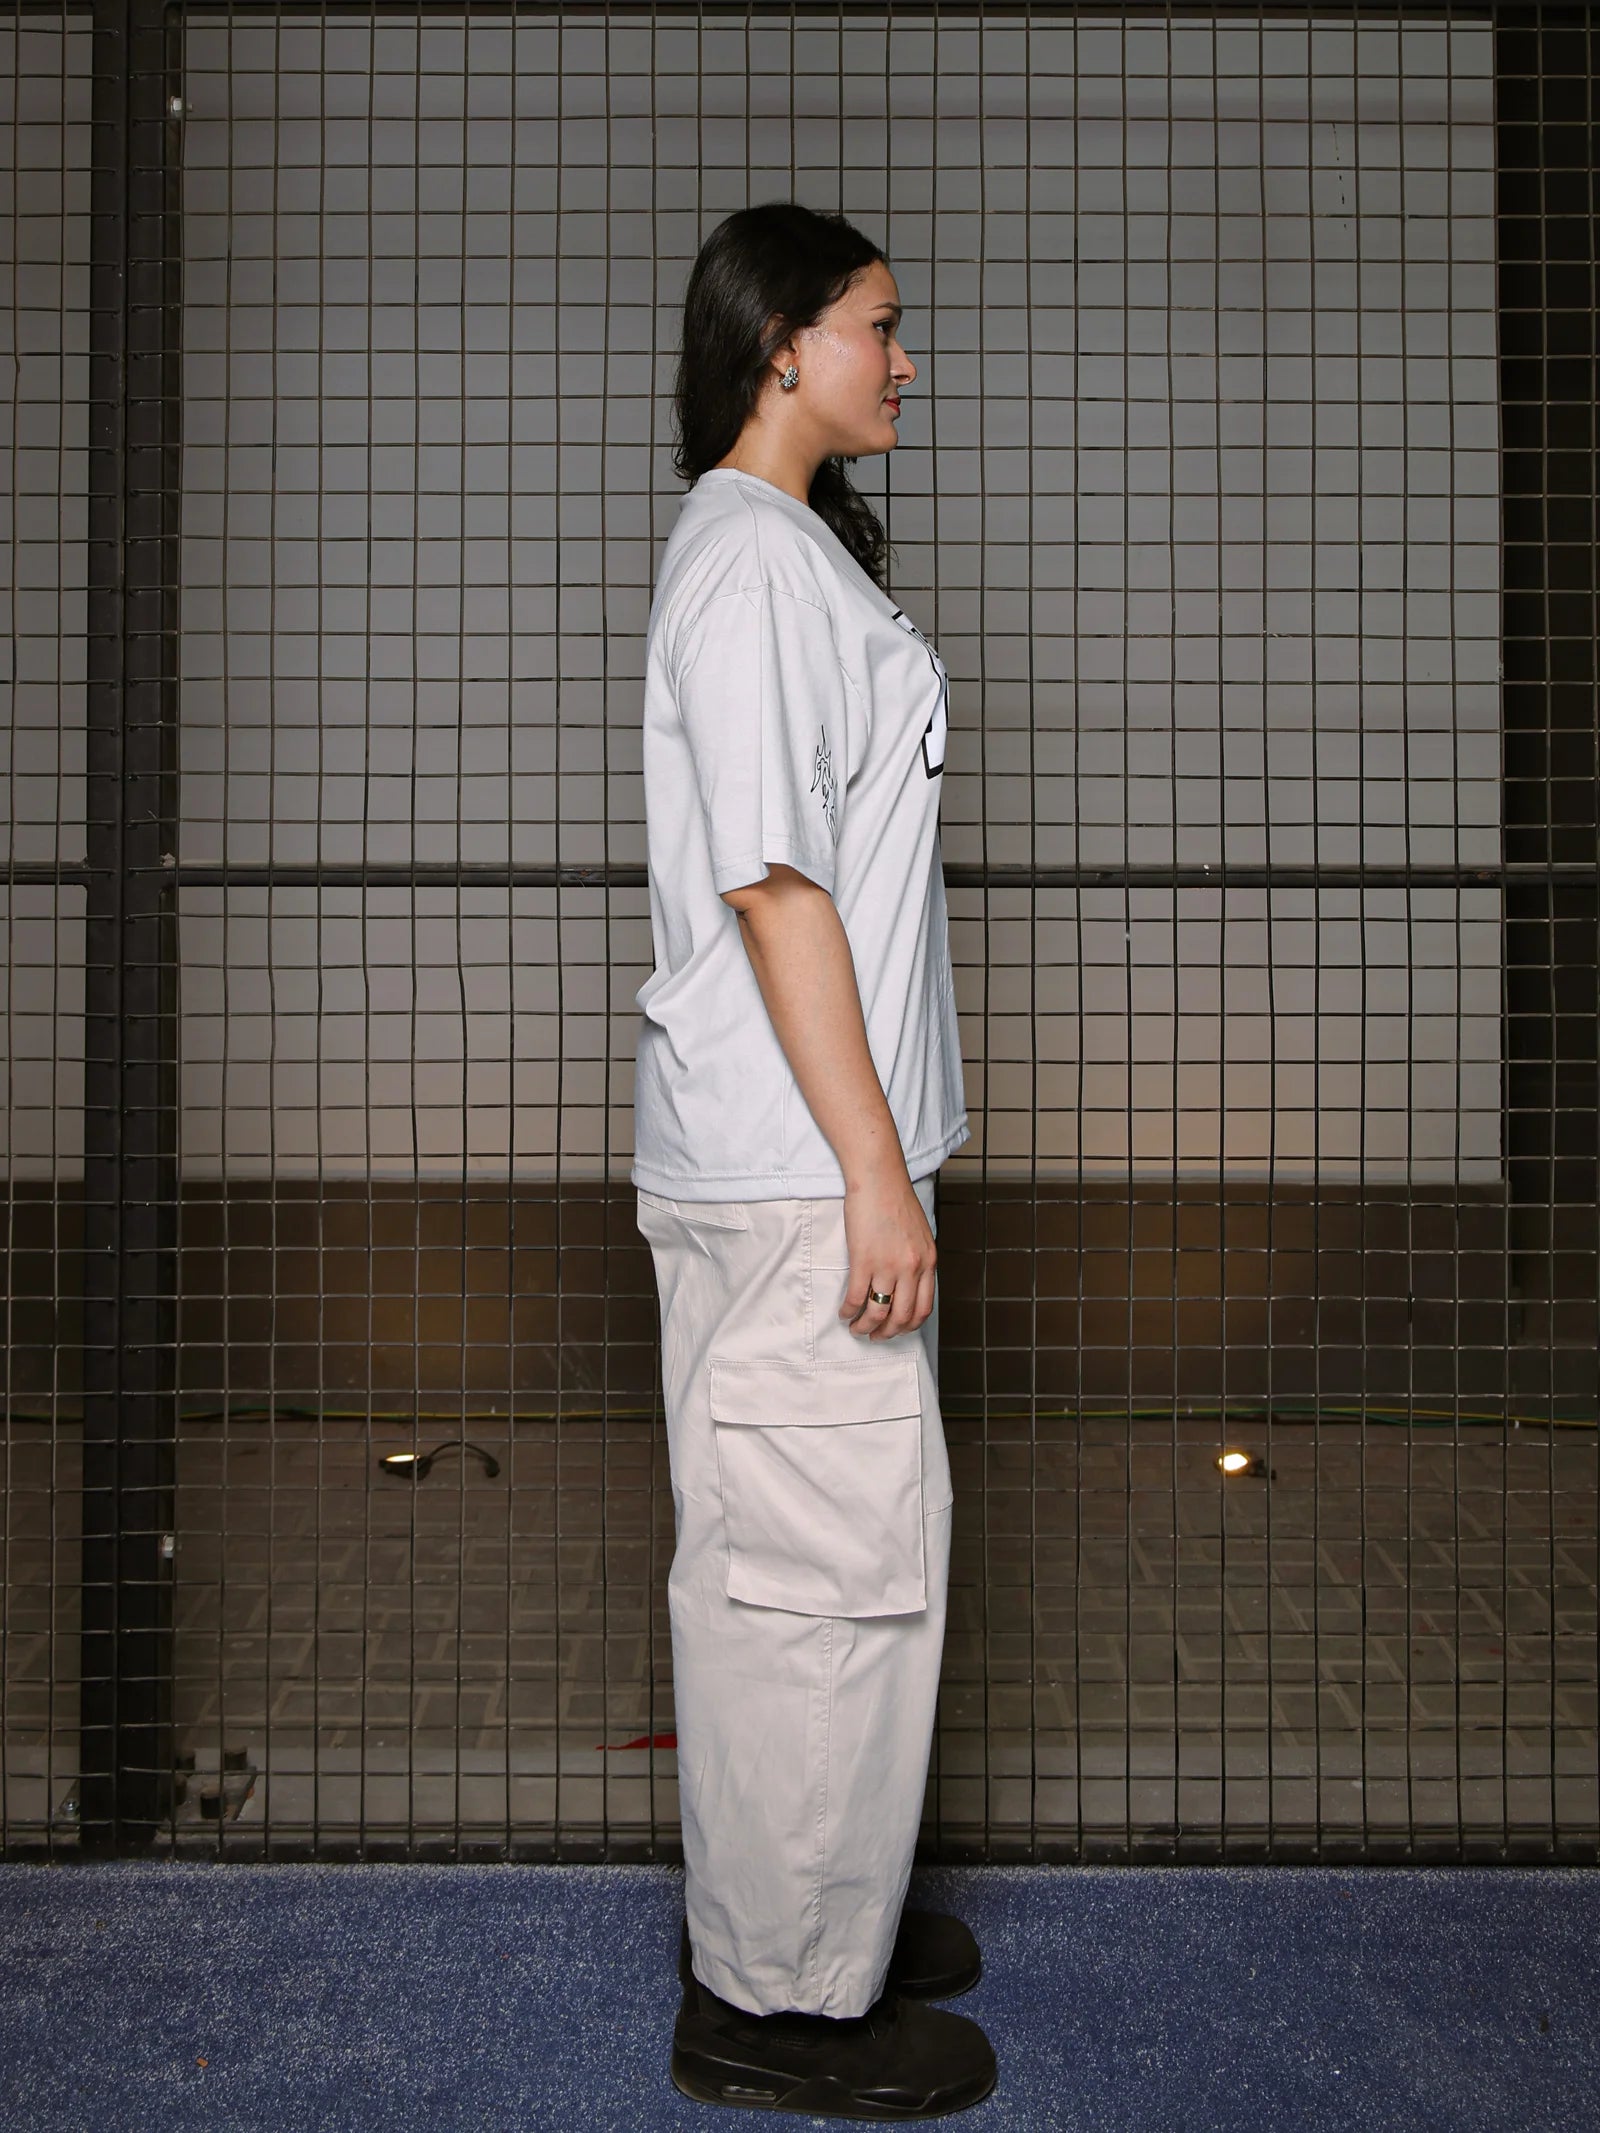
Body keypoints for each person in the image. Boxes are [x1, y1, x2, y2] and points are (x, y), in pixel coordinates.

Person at [631, 200, 997, 2120]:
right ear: (783, 343)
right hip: (794, 1173)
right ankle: (770, 2001)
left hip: (801, 1162)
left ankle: (819, 1911)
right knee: (810, 1586)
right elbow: (775, 891)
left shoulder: (771, 555)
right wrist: (871, 1169)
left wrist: (878, 1159)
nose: (903, 358)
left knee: (833, 1557)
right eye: (880, 324)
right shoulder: (755, 571)